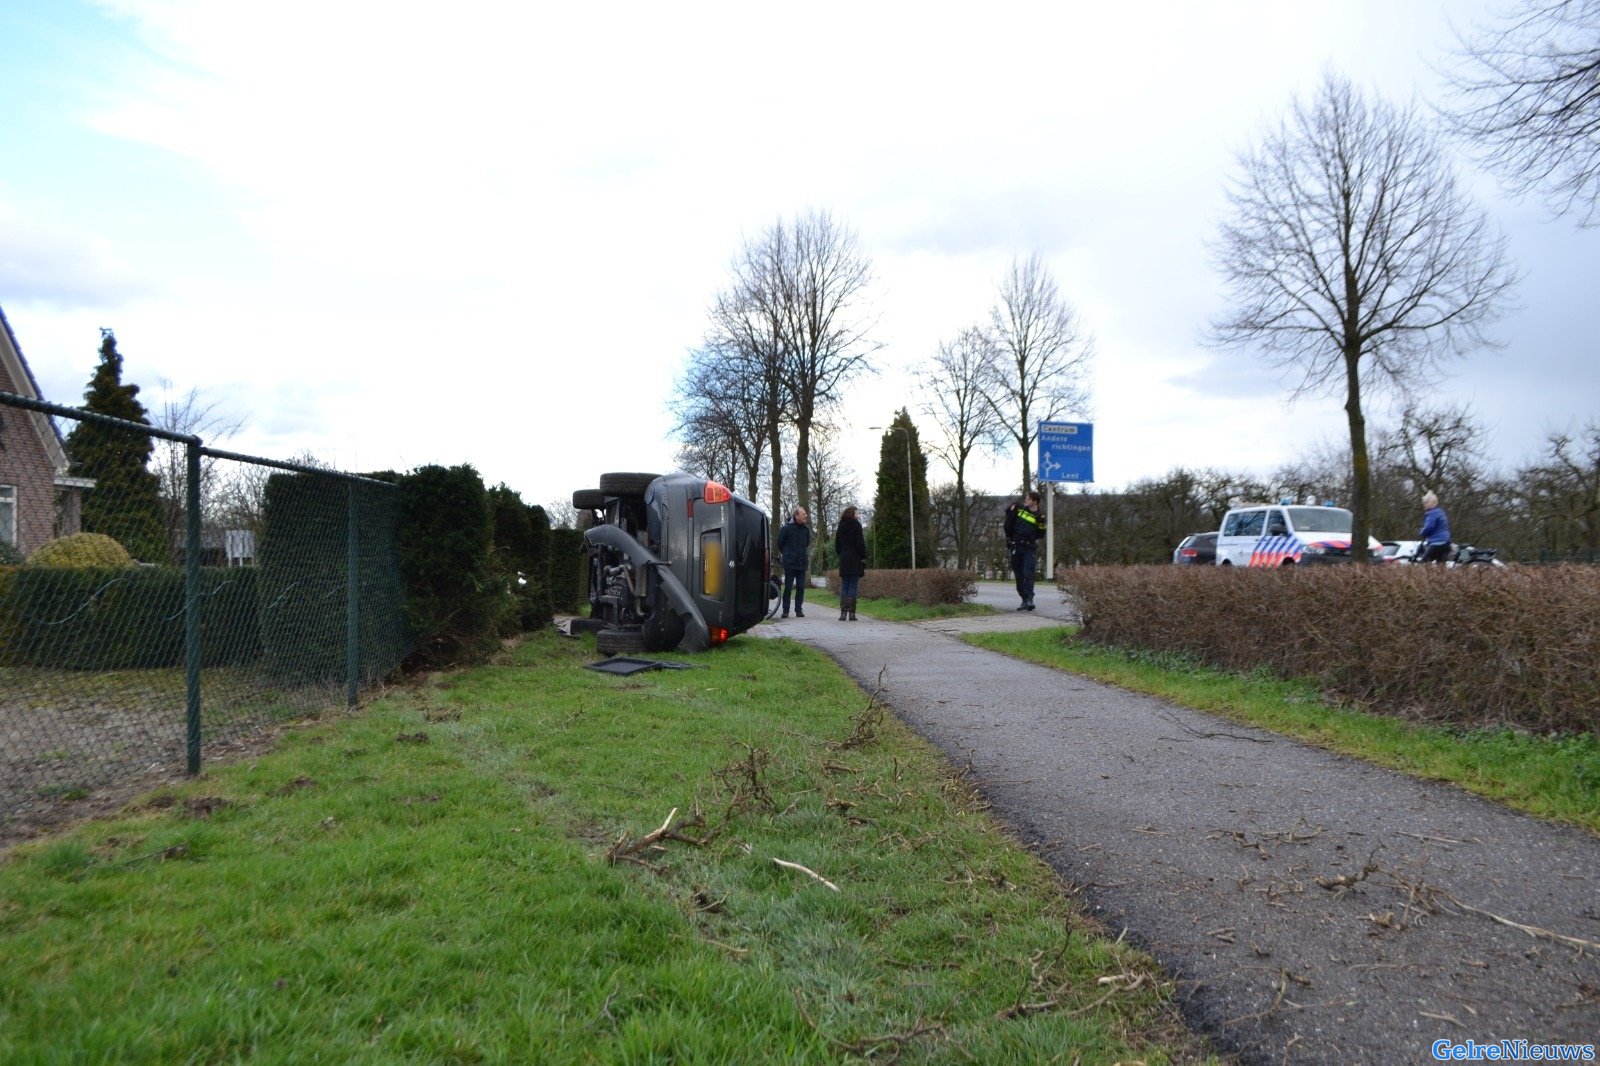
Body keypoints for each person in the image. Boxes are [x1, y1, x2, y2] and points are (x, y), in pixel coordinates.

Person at [1004, 490, 1046, 610]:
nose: (1025, 501)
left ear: (1035, 502)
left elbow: (1041, 533)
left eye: (1028, 499)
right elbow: (1008, 515)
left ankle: (1029, 599)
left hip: (1029, 548)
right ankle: (1024, 599)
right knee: (1019, 575)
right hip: (1016, 546)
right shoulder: (1020, 509)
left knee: (1028, 572)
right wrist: (1011, 507)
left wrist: (1031, 537)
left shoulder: (1040, 517)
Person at [776, 507, 811, 618]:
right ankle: (785, 610)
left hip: (801, 563)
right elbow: (780, 543)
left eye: (805, 514)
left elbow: (807, 544)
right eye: (803, 514)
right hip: (790, 563)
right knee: (788, 587)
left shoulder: (806, 530)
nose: (806, 516)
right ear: (796, 516)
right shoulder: (786, 529)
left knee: (800, 588)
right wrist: (787, 554)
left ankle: (798, 610)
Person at [834, 505, 867, 621]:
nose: (858, 515)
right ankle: (852, 613)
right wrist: (863, 556)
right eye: (857, 513)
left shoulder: (841, 526)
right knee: (853, 585)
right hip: (855, 558)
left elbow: (837, 544)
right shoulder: (856, 525)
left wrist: (841, 553)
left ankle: (843, 613)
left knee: (844, 586)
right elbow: (860, 543)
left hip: (844, 558)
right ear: (852, 514)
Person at [1418, 491, 1452, 564]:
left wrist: (1421, 532)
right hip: (1446, 543)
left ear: (1432, 503)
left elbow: (1429, 528)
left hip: (1437, 543)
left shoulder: (1431, 513)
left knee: (1423, 564)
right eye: (1424, 502)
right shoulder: (1440, 512)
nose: (1424, 504)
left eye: (1426, 502)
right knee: (1441, 568)